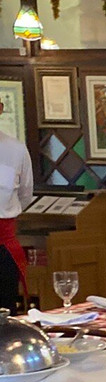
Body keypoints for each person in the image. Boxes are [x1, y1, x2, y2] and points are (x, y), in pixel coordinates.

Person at [0, 99, 33, 312]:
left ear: (0, 109)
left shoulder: (16, 150)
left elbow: (25, 194)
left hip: (3, 247)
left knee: (5, 313)